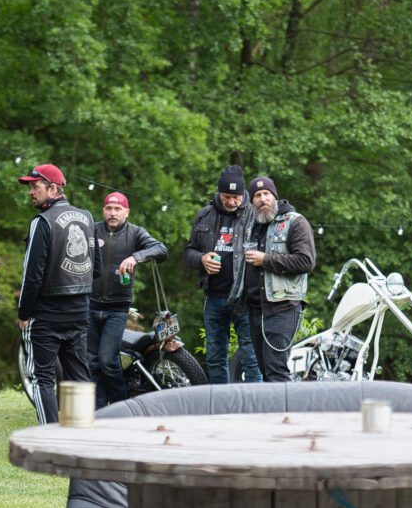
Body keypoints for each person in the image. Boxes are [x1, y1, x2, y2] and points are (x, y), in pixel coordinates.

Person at [18, 163, 98, 424]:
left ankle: (49, 435)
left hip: (46, 314)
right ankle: (83, 431)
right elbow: (95, 268)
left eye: (35, 186)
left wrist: (24, 313)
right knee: (79, 376)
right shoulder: (87, 217)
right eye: (30, 187)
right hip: (79, 310)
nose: (31, 192)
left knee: (42, 377)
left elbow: (32, 275)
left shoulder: (41, 222)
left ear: (53, 188)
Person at [183, 164, 261, 384]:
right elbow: (187, 252)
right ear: (219, 193)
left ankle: (259, 407)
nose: (232, 202)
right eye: (227, 196)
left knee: (251, 357)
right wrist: (201, 259)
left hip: (245, 297)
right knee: (215, 357)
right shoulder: (204, 215)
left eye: (236, 197)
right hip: (214, 296)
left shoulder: (255, 215)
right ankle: (221, 405)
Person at [90, 191, 167, 407]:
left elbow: (161, 249)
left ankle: (121, 406)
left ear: (126, 212)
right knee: (92, 363)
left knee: (107, 360)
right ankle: (98, 410)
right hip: (90, 304)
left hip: (117, 308)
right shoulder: (92, 230)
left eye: (117, 209)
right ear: (103, 210)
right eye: (108, 208)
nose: (112, 213)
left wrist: (136, 256)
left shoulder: (135, 233)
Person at [241, 175, 316, 382]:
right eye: (257, 195)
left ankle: (286, 414)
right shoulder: (252, 226)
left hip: (282, 307)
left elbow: (305, 262)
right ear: (252, 201)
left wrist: (266, 260)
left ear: (274, 196)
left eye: (266, 194)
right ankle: (273, 414)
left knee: (276, 372)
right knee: (265, 372)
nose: (262, 199)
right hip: (256, 308)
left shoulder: (296, 222)